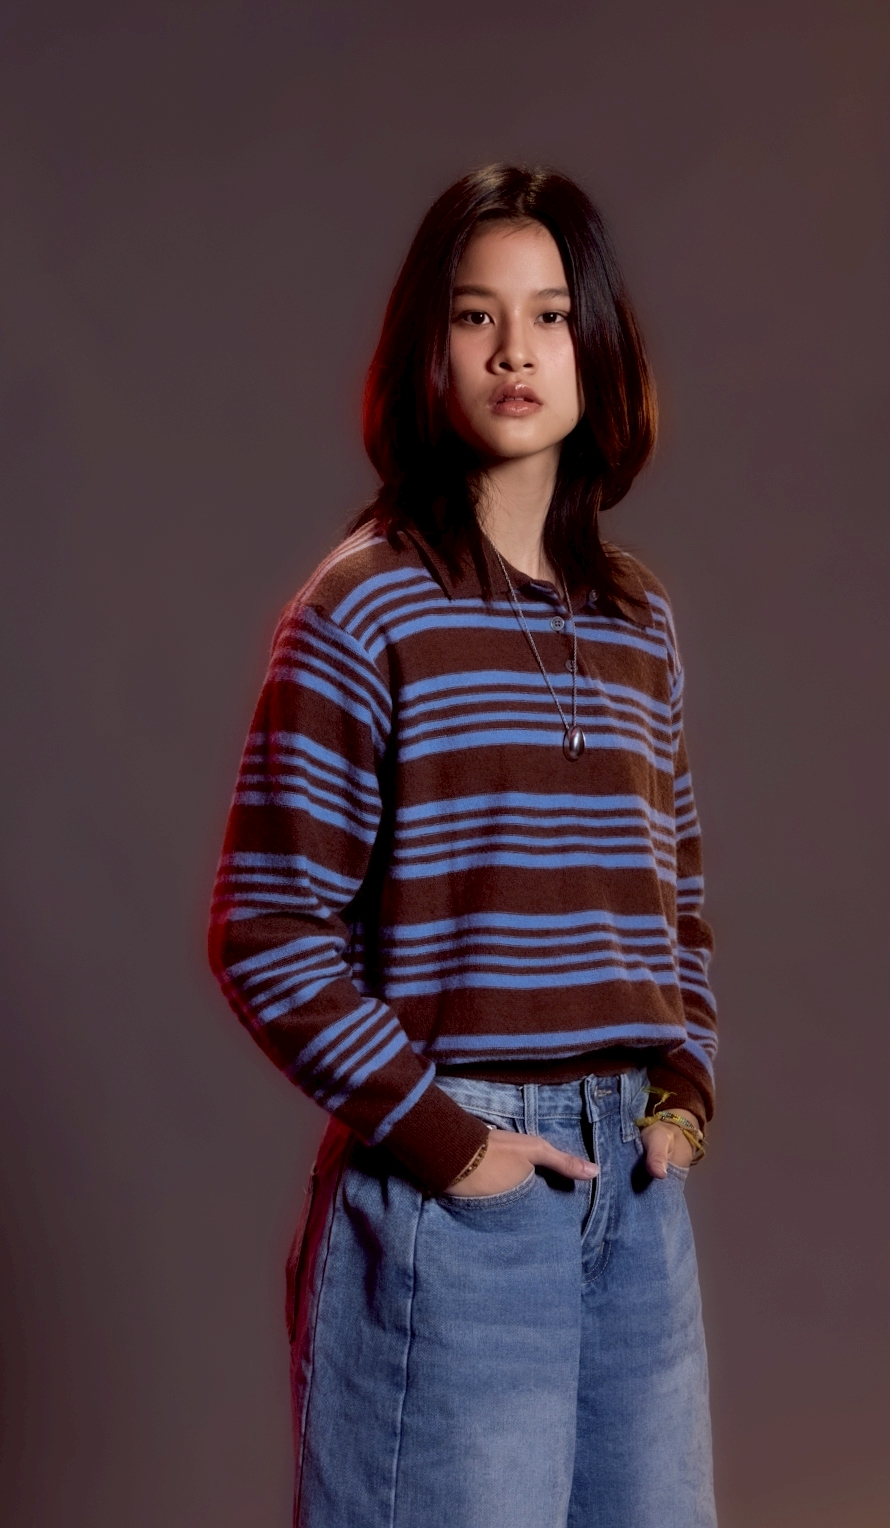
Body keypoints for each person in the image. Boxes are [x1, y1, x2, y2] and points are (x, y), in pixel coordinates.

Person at [209, 163, 718, 1528]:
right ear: (425, 352)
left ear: (595, 345)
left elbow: (674, 891)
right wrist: (445, 1142)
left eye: (549, 315)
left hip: (635, 1198)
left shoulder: (638, 621)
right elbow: (266, 929)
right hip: (454, 1197)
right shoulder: (364, 608)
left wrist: (681, 1089)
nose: (513, 351)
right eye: (474, 315)